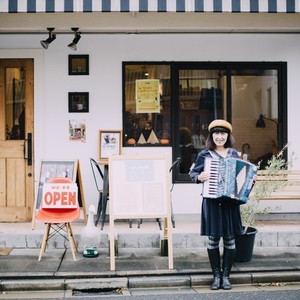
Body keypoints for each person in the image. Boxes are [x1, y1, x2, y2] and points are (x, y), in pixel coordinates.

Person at [189, 119, 242, 290]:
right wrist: (199, 177)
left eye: (223, 133)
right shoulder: (204, 155)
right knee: (213, 239)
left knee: (230, 240)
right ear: (212, 136)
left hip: (230, 203)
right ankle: (216, 276)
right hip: (211, 202)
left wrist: (249, 180)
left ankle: (226, 276)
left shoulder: (234, 154)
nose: (220, 137)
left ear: (228, 136)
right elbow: (193, 173)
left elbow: (241, 177)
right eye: (216, 133)